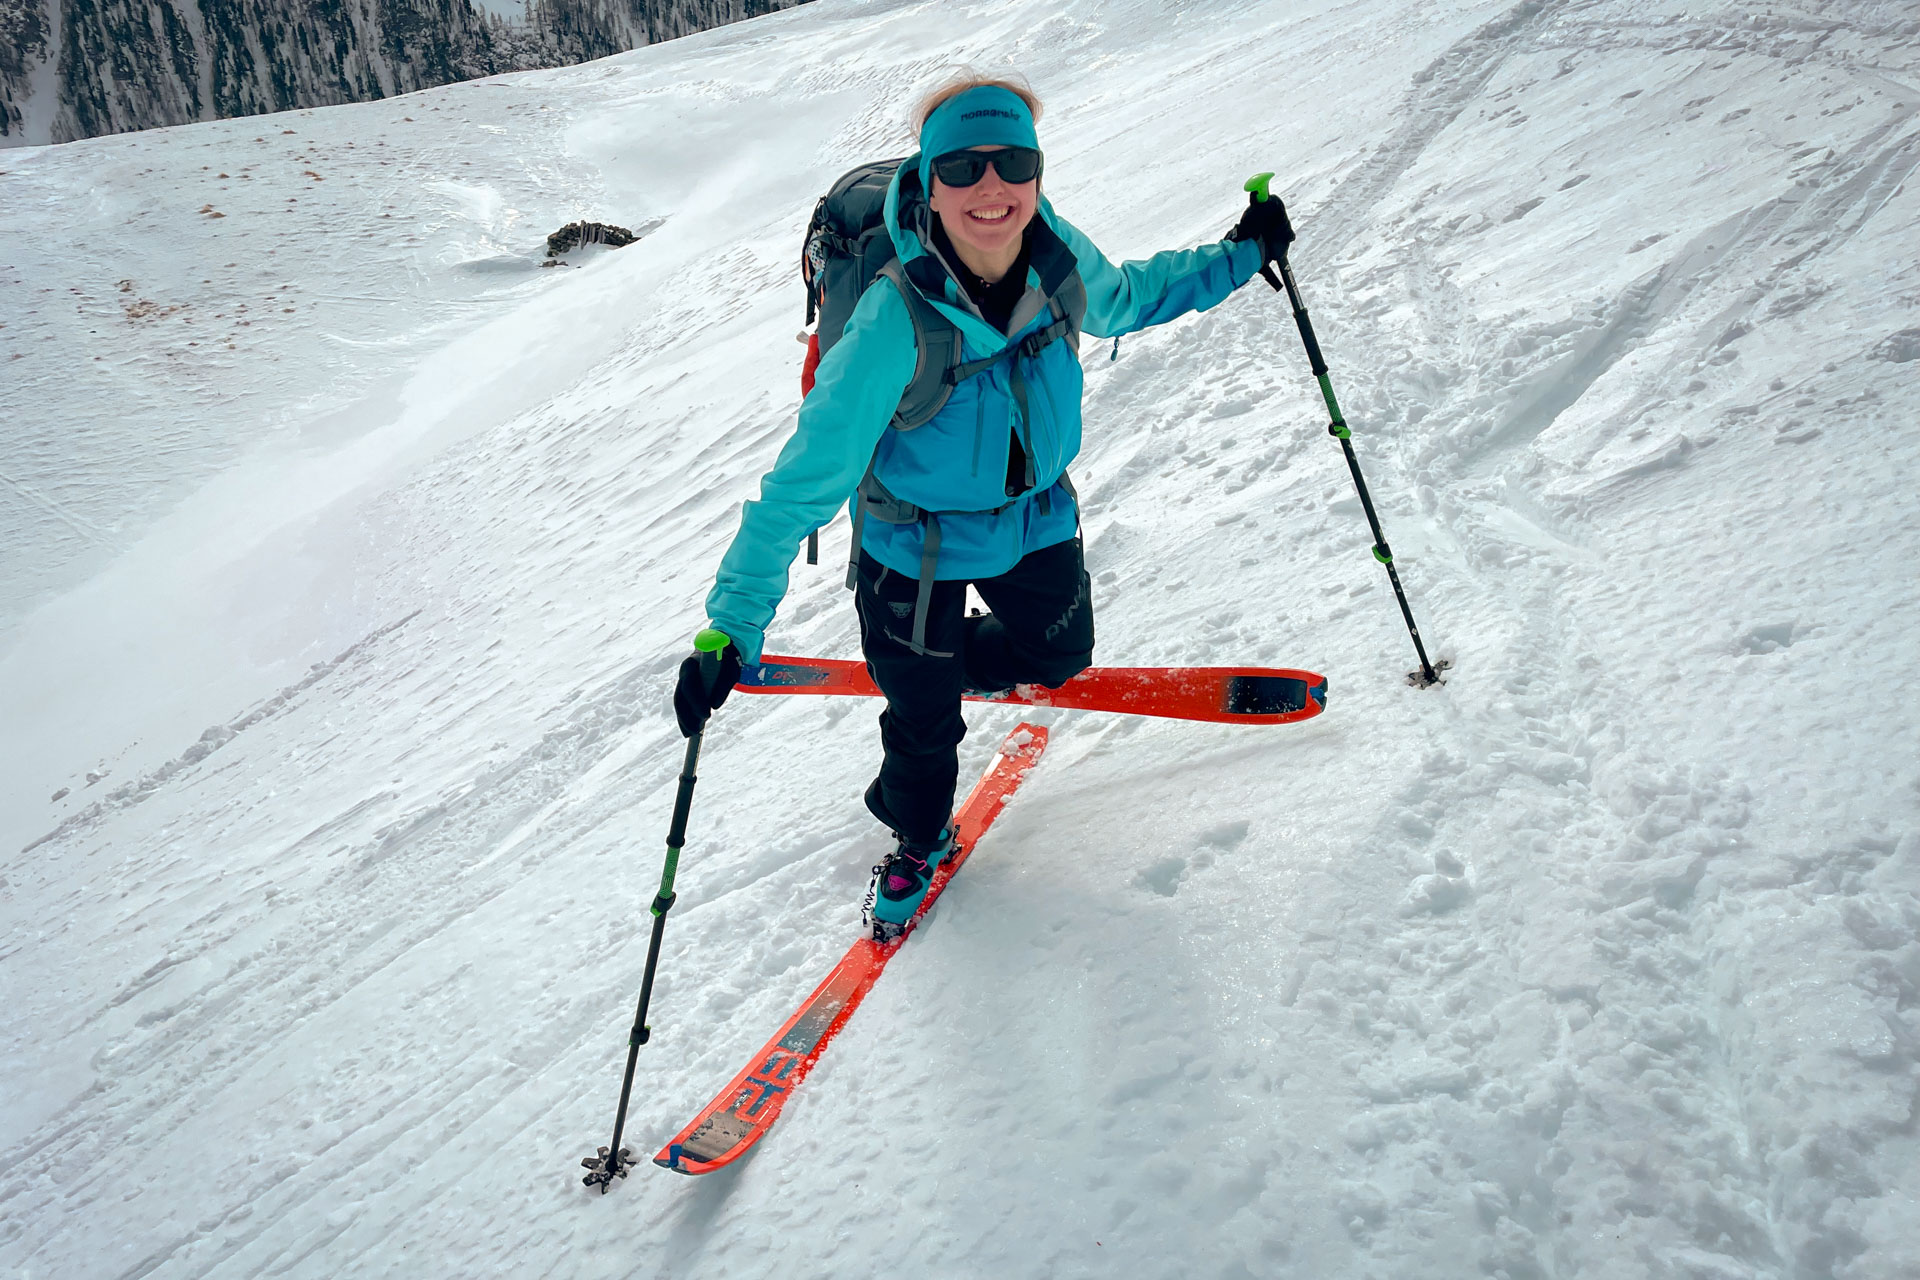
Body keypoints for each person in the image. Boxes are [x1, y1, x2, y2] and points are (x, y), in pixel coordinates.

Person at [673, 76, 1294, 937]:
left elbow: (1132, 298)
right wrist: (731, 626)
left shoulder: (1056, 256)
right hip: (909, 549)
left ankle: (930, 666)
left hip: (1034, 523)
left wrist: (1242, 255)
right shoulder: (893, 320)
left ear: (1038, 173)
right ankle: (917, 830)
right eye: (962, 166)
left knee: (1060, 656)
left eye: (1014, 162)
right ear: (930, 181)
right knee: (924, 736)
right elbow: (801, 485)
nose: (991, 187)